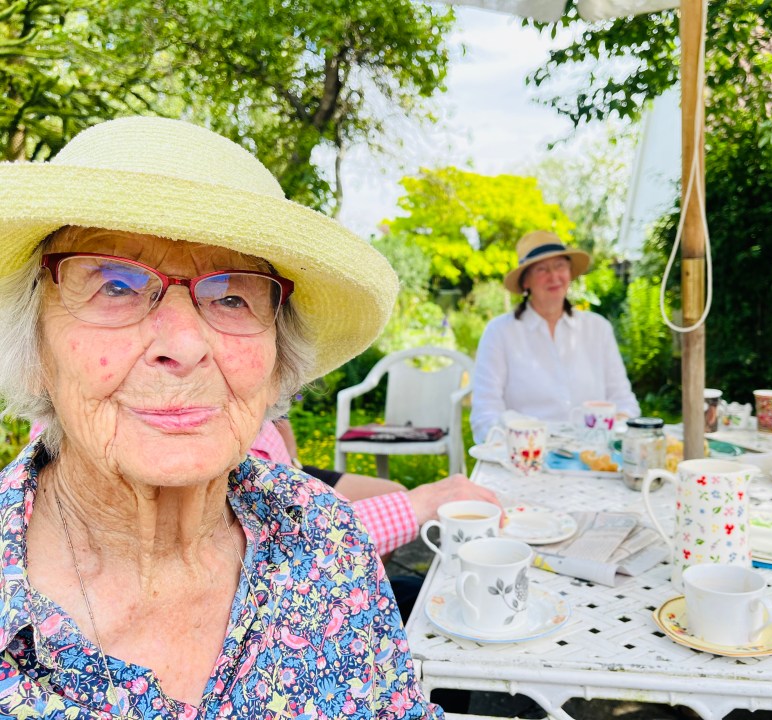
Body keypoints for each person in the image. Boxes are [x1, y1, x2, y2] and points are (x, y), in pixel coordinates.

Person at [0, 116, 442, 717]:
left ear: (276, 360)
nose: (183, 343)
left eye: (232, 295)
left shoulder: (325, 540)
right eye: (115, 286)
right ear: (36, 350)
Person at [471, 230, 640, 443]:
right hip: (527, 458)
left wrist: (611, 430)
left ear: (570, 272)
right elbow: (485, 415)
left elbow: (624, 403)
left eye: (560, 265)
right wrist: (524, 442)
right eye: (541, 269)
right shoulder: (500, 333)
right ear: (525, 282)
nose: (554, 276)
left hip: (594, 455)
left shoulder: (598, 328)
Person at [252, 419, 500, 556]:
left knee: (393, 493)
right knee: (402, 506)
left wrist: (293, 460)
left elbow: (279, 412)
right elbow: (282, 544)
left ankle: (367, 584)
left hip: (291, 471)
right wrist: (423, 502)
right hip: (274, 495)